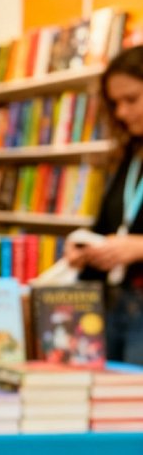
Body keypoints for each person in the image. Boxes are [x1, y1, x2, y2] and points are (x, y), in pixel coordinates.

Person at [64, 44, 143, 363]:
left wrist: (138, 247)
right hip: (112, 304)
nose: (122, 112)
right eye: (115, 104)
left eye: (132, 100)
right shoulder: (129, 155)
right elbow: (109, 225)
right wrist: (84, 246)